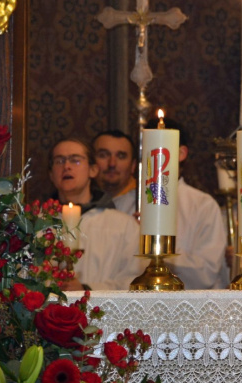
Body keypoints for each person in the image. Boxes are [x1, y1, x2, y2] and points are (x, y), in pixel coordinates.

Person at [117, 117, 229, 289]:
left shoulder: (202, 205)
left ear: (181, 153)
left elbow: (206, 272)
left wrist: (159, 244)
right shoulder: (123, 203)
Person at [48, 138, 141, 290]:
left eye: (75, 160)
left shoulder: (124, 225)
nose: (66, 166)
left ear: (93, 170)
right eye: (59, 161)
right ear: (51, 174)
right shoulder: (36, 225)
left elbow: (133, 280)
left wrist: (86, 289)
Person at [92, 130, 137, 212]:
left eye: (121, 156)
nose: (112, 164)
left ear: (133, 166)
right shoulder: (76, 199)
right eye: (103, 155)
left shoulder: (147, 203)